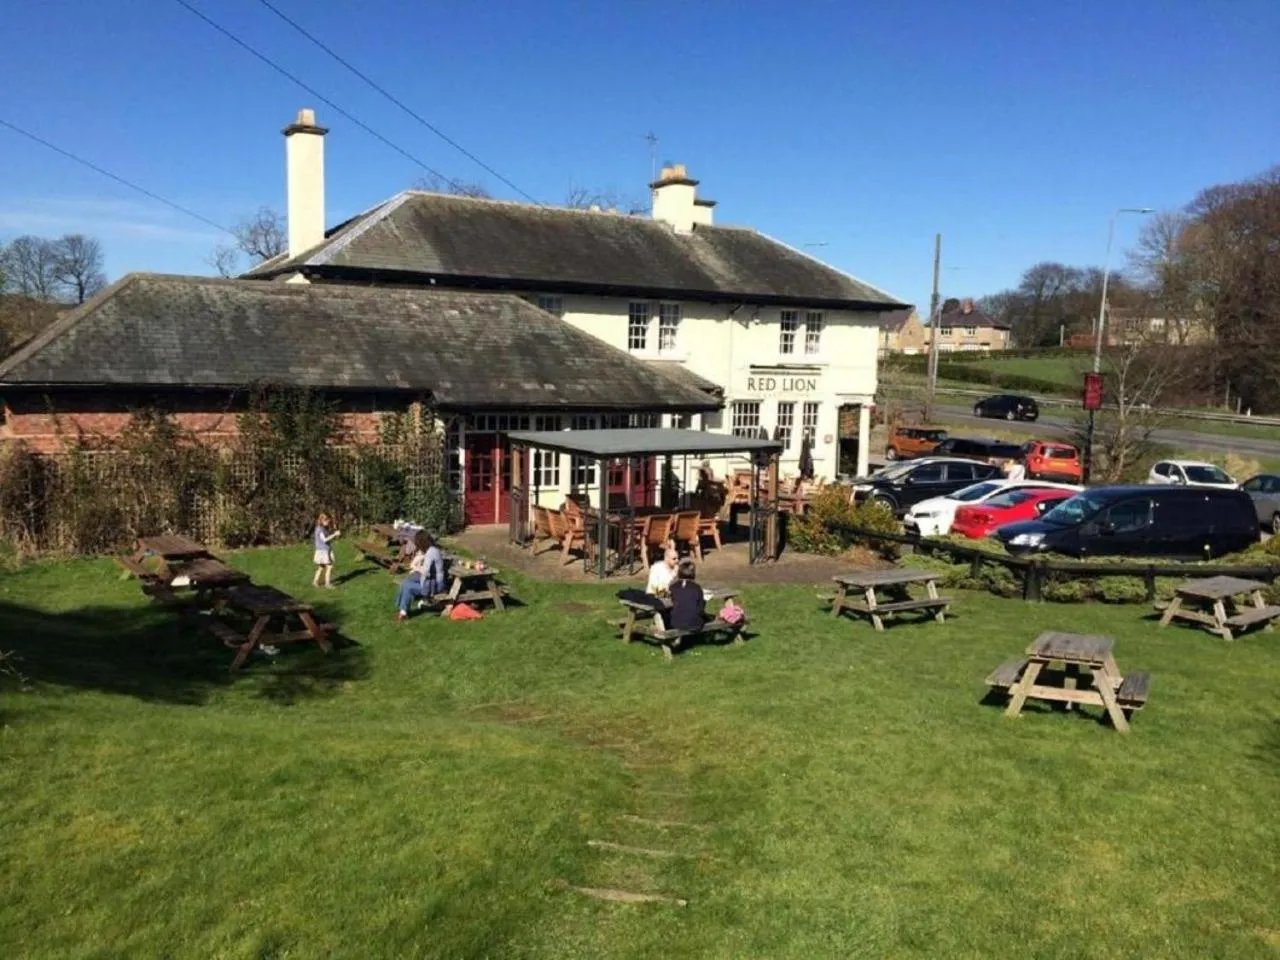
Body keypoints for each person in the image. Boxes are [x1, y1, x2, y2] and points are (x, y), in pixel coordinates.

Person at [395, 531, 447, 622]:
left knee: (407, 586)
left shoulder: (431, 552)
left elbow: (426, 573)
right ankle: (402, 611)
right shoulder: (432, 550)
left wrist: (416, 567)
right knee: (405, 582)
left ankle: (403, 612)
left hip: (435, 585)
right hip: (431, 581)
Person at [666, 559, 706, 632]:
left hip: (675, 623)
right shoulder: (696, 587)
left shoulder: (673, 587)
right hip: (695, 624)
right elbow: (700, 607)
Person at [312, 512, 341, 588]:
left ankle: (315, 581)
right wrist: (334, 534)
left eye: (329, 521)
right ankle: (327, 584)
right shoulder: (320, 529)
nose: (328, 523)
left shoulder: (322, 528)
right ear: (322, 520)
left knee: (321, 567)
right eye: (327, 521)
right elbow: (324, 540)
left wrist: (333, 534)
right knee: (329, 566)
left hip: (324, 550)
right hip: (323, 551)